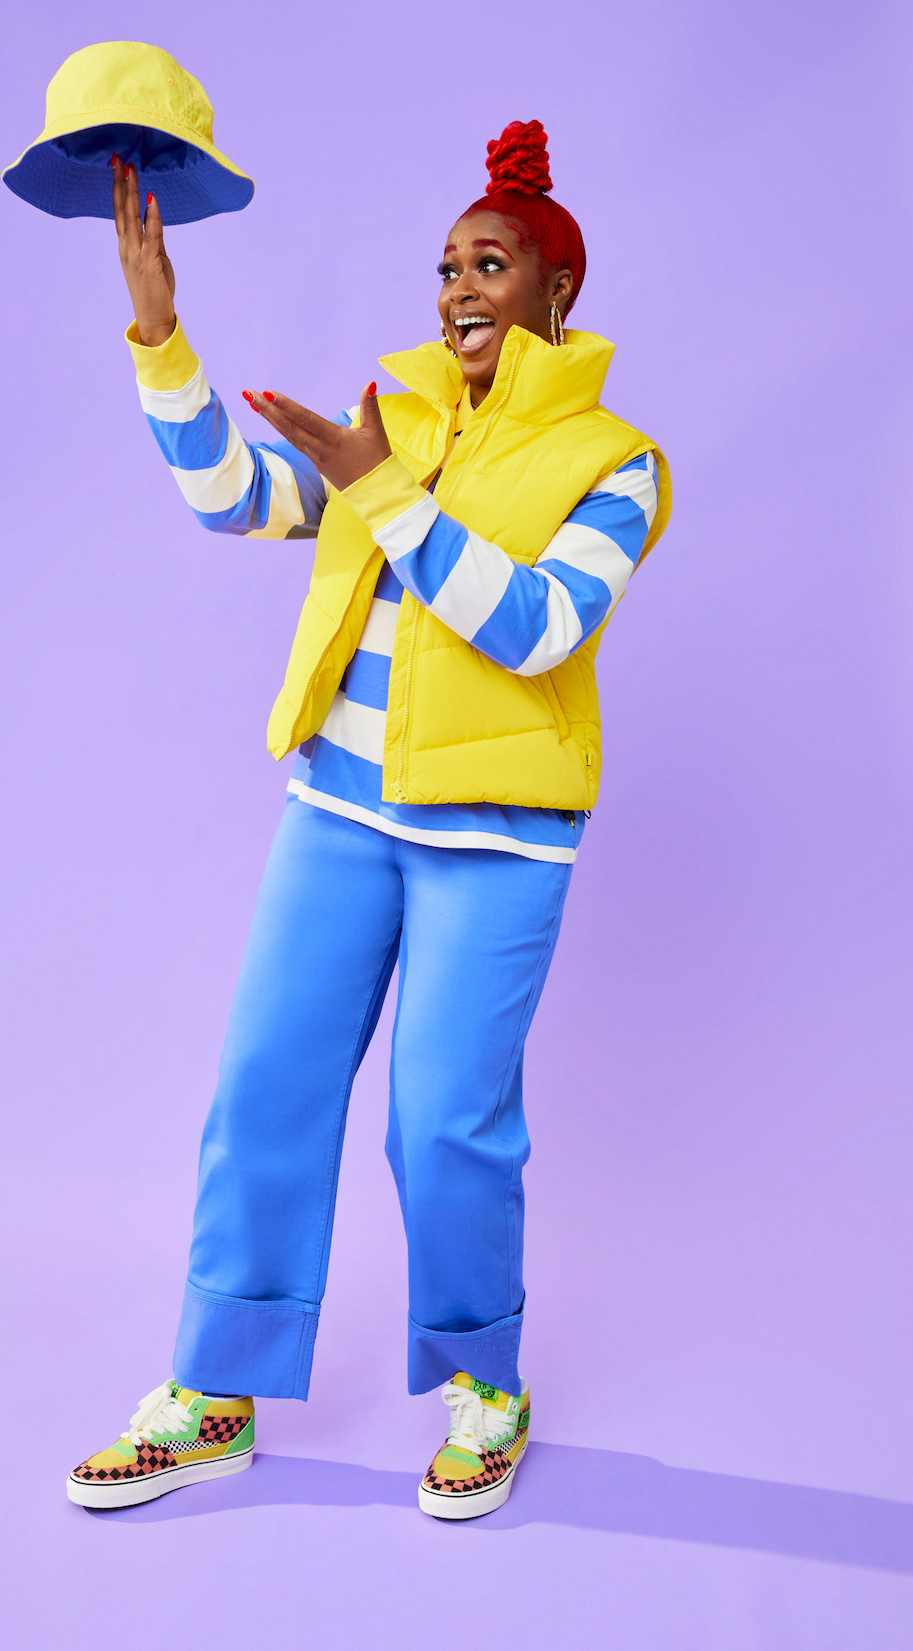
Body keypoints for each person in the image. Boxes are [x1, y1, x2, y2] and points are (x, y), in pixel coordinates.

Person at [66, 119, 670, 1521]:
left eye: (490, 263)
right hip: (336, 815)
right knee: (264, 1088)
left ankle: (485, 1386)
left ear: (558, 288)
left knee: (444, 1124)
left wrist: (380, 487)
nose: (459, 287)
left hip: (496, 844)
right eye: (447, 266)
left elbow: (534, 625)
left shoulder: (617, 464)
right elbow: (231, 497)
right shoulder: (389, 418)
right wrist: (160, 337)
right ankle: (214, 1393)